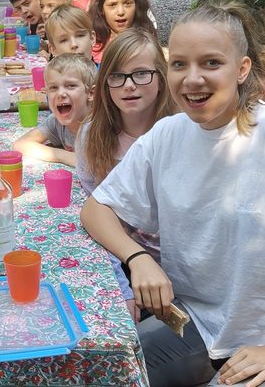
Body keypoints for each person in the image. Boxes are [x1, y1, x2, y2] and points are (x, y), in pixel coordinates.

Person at [82, 2, 265, 387]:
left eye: (211, 63)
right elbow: (96, 209)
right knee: (96, 370)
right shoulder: (167, 136)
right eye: (179, 64)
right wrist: (138, 258)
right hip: (201, 326)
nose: (192, 79)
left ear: (242, 69)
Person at [76, 28, 176, 322]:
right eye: (117, 76)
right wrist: (123, 283)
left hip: (179, 265)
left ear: (161, 77)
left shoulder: (180, 131)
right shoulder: (92, 135)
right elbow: (94, 216)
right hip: (124, 257)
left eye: (141, 74)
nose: (129, 85)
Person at [13, 53, 96, 167]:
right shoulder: (56, 121)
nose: (60, 93)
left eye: (70, 86)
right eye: (53, 87)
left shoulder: (100, 126)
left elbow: (98, 165)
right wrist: (65, 156)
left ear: (91, 93)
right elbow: (20, 144)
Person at [90, 0, 156, 64]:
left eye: (127, 3)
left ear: (137, 5)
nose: (120, 12)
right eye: (112, 5)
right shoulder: (92, 45)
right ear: (101, 8)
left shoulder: (147, 44)